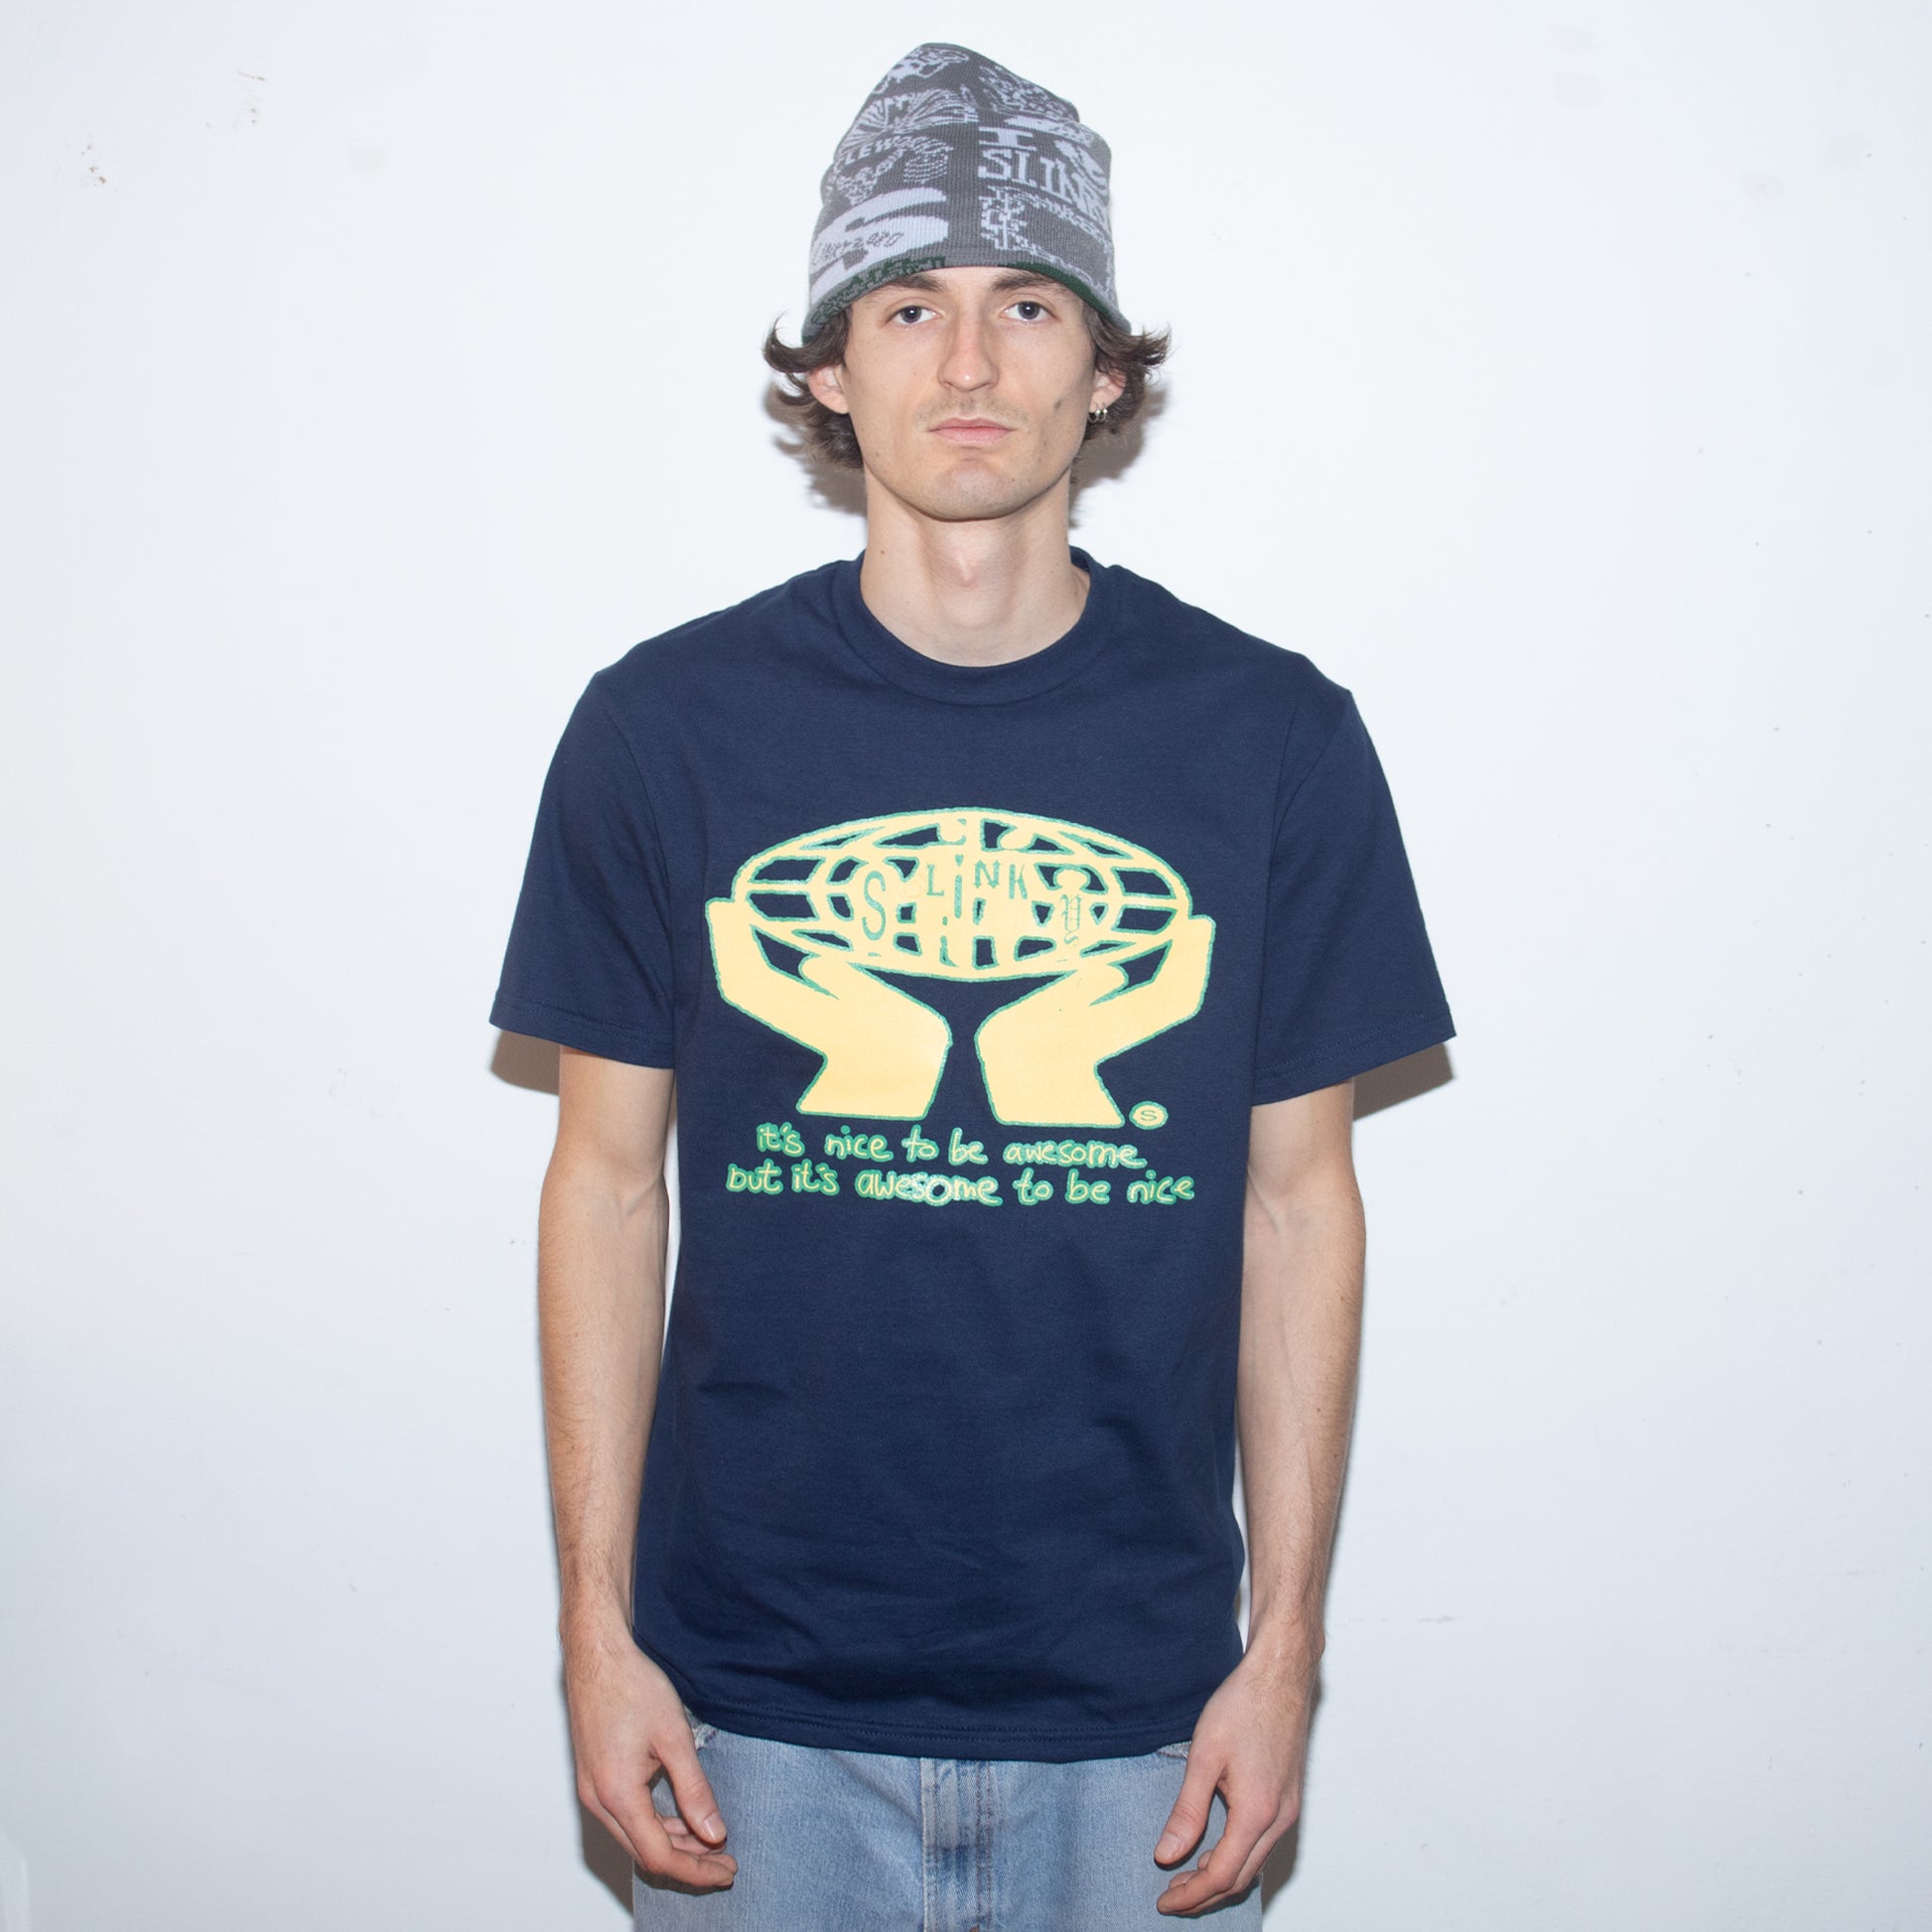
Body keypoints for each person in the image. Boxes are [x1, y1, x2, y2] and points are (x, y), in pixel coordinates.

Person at [489, 42, 1454, 1929]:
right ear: (826, 368)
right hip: (743, 1702)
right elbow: (601, 1185)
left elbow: (1298, 1205)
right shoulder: (663, 730)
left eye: (1025, 304)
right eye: (905, 305)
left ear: (1101, 370)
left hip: (1146, 1711)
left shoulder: (1271, 740)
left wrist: (1285, 1655)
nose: (965, 362)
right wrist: (592, 1634)